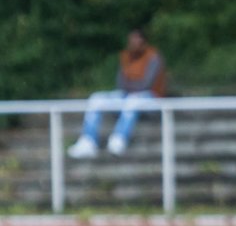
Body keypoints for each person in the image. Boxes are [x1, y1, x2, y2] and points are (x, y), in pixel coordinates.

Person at [67, 28, 168, 158]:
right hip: (128, 95)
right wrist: (130, 87)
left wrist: (130, 86)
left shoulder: (153, 57)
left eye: (136, 39)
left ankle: (119, 139)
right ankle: (88, 141)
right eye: (131, 40)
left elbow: (146, 84)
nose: (133, 43)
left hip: (152, 98)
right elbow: (120, 82)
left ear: (143, 41)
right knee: (96, 98)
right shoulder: (126, 56)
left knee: (133, 100)